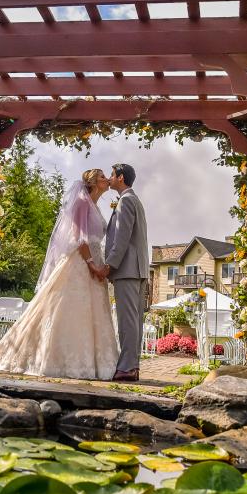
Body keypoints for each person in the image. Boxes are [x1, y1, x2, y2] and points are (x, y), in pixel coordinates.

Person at [0, 168, 119, 379]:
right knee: (68, 309)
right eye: (102, 176)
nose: (106, 180)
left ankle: (93, 362)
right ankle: (58, 361)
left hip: (95, 262)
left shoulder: (96, 206)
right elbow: (80, 238)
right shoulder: (82, 203)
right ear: (93, 182)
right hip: (80, 262)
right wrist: (92, 264)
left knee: (91, 313)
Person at [96, 163, 149, 382]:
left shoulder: (126, 200)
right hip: (138, 268)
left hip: (127, 269)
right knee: (134, 320)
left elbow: (122, 237)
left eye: (111, 174)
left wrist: (109, 265)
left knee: (128, 321)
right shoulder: (133, 199)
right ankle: (132, 367)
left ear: (120, 177)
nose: (109, 178)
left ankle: (127, 368)